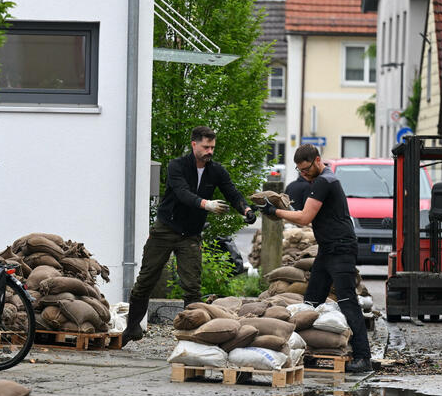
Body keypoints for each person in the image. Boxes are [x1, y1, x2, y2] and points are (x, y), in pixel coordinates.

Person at [123, 125, 257, 341]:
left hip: (191, 235)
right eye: (206, 147)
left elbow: (231, 191)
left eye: (212, 147)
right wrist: (206, 204)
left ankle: (191, 335)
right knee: (146, 280)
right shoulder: (176, 166)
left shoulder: (216, 171)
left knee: (192, 286)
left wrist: (246, 209)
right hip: (165, 229)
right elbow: (182, 193)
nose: (210, 151)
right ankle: (131, 327)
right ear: (194, 144)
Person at [259, 144, 372, 373]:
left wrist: (274, 212)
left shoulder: (324, 181)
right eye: (299, 170)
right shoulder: (320, 180)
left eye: (306, 168)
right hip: (327, 249)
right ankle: (307, 351)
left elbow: (304, 218)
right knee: (312, 300)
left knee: (347, 301)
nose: (303, 174)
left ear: (317, 160)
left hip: (341, 249)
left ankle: (363, 357)